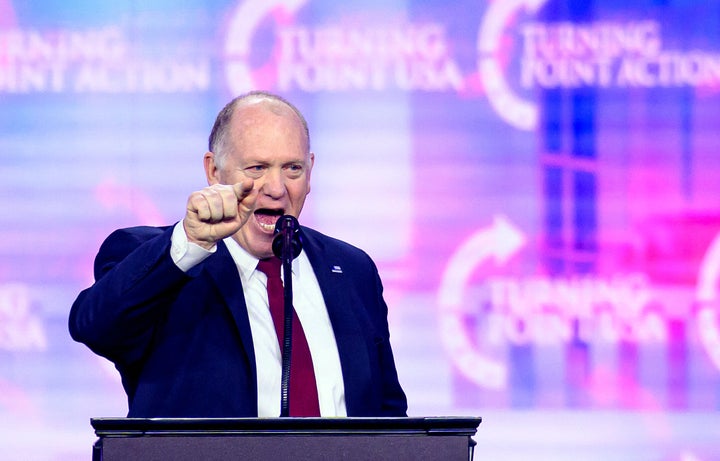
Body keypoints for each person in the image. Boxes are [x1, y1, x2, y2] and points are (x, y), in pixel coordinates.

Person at [69, 91, 407, 418]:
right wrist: (189, 244)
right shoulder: (162, 261)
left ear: (310, 171)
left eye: (292, 169)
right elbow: (95, 327)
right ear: (214, 171)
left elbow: (388, 416)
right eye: (257, 168)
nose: (276, 189)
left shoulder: (352, 270)